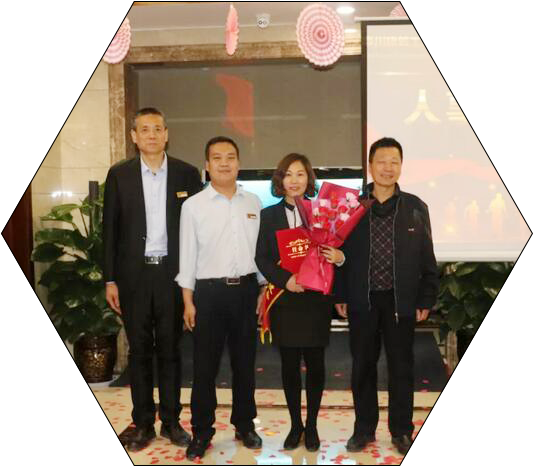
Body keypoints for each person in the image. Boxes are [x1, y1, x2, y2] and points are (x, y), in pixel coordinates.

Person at [103, 107, 202, 452]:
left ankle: (171, 421)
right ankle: (143, 422)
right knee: (140, 351)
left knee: (171, 349)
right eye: (144, 129)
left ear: (166, 134)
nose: (151, 135)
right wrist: (110, 280)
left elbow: (198, 229)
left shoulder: (187, 174)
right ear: (134, 136)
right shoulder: (119, 175)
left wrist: (194, 278)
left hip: (172, 275)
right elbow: (110, 230)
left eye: (157, 128)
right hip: (133, 277)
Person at [334, 137, 439, 455]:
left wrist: (425, 298)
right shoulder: (351, 205)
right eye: (381, 161)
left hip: (400, 301)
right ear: (370, 165)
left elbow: (427, 257)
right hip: (362, 300)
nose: (388, 168)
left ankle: (401, 431)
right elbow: (337, 253)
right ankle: (363, 429)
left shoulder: (416, 207)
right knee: (362, 366)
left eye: (394, 161)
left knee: (401, 367)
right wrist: (340, 293)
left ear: (401, 166)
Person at [177, 136, 265, 460]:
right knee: (204, 367)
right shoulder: (193, 206)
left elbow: (261, 253)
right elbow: (187, 256)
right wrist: (188, 301)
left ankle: (244, 424)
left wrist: (263, 289)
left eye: (230, 157)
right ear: (207, 165)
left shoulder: (253, 202)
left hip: (246, 292)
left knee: (245, 364)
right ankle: (202, 431)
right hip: (208, 294)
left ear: (239, 163)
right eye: (217, 158)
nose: (224, 163)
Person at [255, 153, 345, 452]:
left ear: (309, 179)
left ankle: (313, 425)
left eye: (300, 174)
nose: (294, 180)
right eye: (288, 174)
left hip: (316, 301)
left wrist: (337, 256)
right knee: (289, 366)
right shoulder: (268, 216)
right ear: (280, 180)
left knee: (316, 364)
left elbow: (338, 250)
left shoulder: (323, 214)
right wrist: (286, 280)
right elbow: (262, 258)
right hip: (286, 300)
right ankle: (296, 425)